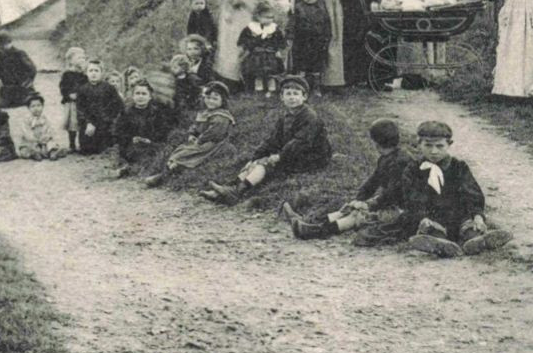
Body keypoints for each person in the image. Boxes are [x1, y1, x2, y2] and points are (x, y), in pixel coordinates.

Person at [347, 121, 508, 257]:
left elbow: (472, 193)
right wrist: (422, 216)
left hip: (456, 213)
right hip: (429, 215)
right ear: (419, 144)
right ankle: (437, 241)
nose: (434, 151)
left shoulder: (458, 167)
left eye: (439, 146)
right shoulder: (413, 169)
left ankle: (474, 238)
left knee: (468, 225)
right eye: (428, 146)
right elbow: (412, 196)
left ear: (449, 145)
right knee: (420, 226)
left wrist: (478, 216)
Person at [199, 74, 330, 205]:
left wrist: (279, 156)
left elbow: (300, 142)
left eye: (296, 94)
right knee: (255, 163)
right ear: (282, 97)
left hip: (311, 157)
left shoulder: (309, 117)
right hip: (294, 152)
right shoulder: (285, 116)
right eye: (288, 94)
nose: (292, 98)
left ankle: (237, 192)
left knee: (265, 164)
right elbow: (272, 140)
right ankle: (227, 189)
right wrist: (255, 157)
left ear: (304, 97)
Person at [282, 118, 408, 240]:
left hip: (403, 209)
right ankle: (308, 222)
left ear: (375, 142)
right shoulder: (386, 158)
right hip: (391, 203)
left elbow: (392, 193)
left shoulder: (400, 162)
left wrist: (368, 204)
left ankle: (315, 231)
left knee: (356, 216)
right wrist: (357, 200)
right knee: (349, 209)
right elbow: (372, 182)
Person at [143, 81, 235, 187]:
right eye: (208, 98)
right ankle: (167, 171)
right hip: (201, 141)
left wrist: (199, 139)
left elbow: (214, 133)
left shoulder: (221, 117)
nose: (211, 101)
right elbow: (196, 125)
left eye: (215, 99)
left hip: (213, 143)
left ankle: (163, 176)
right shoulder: (205, 112)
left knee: (189, 154)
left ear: (223, 101)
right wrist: (192, 134)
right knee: (181, 149)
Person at [113, 80, 177, 178]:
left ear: (149, 97)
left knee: (156, 153)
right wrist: (131, 138)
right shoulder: (126, 113)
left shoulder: (156, 113)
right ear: (133, 96)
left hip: (150, 144)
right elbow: (118, 131)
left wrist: (150, 139)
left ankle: (136, 169)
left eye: (144, 94)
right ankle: (130, 167)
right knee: (132, 151)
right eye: (137, 93)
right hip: (131, 145)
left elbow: (163, 131)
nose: (140, 97)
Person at [287, 0, 332, 93]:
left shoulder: (322, 9)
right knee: (301, 64)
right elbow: (292, 23)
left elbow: (326, 24)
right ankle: (301, 87)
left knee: (316, 65)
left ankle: (316, 87)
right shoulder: (298, 8)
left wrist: (326, 37)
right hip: (302, 41)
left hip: (317, 41)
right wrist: (290, 35)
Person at [74, 59, 122, 156]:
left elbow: (117, 106)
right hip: (89, 126)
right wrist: (88, 123)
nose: (93, 74)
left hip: (105, 124)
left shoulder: (109, 88)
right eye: (91, 71)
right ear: (86, 73)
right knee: (87, 149)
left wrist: (106, 120)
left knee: (104, 148)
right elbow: (80, 109)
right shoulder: (82, 89)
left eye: (96, 71)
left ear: (102, 73)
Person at [238, 0, 286, 94]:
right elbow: (244, 39)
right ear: (258, 16)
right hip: (256, 55)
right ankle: (258, 90)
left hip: (270, 54)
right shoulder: (251, 28)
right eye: (266, 17)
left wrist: (278, 50)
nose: (269, 20)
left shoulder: (274, 28)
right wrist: (247, 47)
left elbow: (279, 40)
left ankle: (271, 90)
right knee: (258, 74)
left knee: (271, 74)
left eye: (271, 18)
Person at [14, 94, 67, 161]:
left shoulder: (44, 119)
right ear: (28, 108)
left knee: (51, 144)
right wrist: (35, 139)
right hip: (32, 142)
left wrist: (46, 137)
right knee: (25, 149)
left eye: (39, 105)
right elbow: (27, 132)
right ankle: (34, 154)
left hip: (44, 141)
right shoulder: (27, 120)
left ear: (42, 106)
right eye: (33, 106)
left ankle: (53, 152)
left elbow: (49, 130)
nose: (36, 108)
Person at [0, 30, 39, 108]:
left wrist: (28, 82)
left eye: (5, 43)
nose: (2, 46)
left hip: (21, 87)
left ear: (10, 42)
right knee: (2, 105)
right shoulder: (0, 54)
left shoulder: (19, 53)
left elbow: (32, 69)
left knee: (28, 101)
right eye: (1, 44)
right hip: (7, 88)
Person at [58, 47, 88, 152]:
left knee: (81, 122)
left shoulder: (85, 75)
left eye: (83, 58)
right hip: (72, 103)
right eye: (79, 57)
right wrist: (68, 95)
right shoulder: (67, 74)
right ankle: (72, 144)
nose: (82, 59)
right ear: (71, 60)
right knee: (72, 124)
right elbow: (62, 87)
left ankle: (82, 143)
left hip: (82, 103)